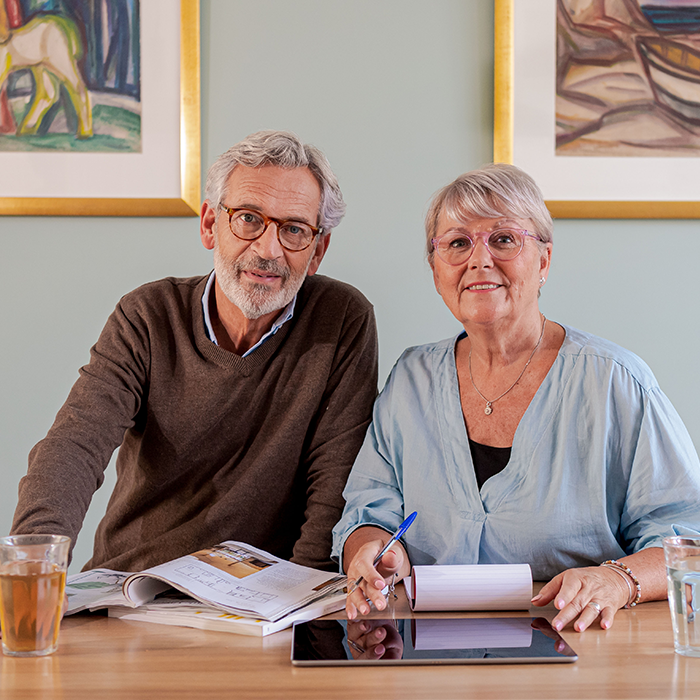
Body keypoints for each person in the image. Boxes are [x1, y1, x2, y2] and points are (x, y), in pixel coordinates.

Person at [333, 163, 700, 631]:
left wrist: (617, 581)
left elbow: (688, 537)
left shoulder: (615, 381)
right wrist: (372, 551)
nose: (480, 260)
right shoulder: (411, 379)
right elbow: (368, 510)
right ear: (435, 268)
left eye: (504, 239)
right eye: (458, 243)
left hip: (578, 642)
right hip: (426, 649)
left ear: (544, 261)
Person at [12, 130, 378, 573]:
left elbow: (334, 483)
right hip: (132, 585)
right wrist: (34, 564)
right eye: (248, 218)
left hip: (262, 602)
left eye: (294, 230)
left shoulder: (342, 319)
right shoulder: (147, 315)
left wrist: (303, 606)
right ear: (210, 225)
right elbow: (74, 446)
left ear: (317, 251)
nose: (268, 249)